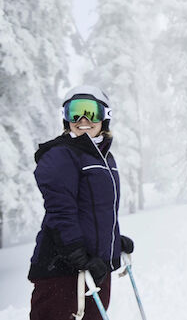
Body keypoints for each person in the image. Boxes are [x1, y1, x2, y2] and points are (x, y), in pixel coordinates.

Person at [28, 85, 134, 320]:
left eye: (90, 111)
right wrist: (76, 253)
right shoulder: (60, 154)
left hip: (96, 269)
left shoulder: (104, 157)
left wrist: (113, 241)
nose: (82, 119)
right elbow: (61, 211)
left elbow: (100, 211)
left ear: (105, 116)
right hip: (63, 271)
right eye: (74, 112)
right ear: (65, 118)